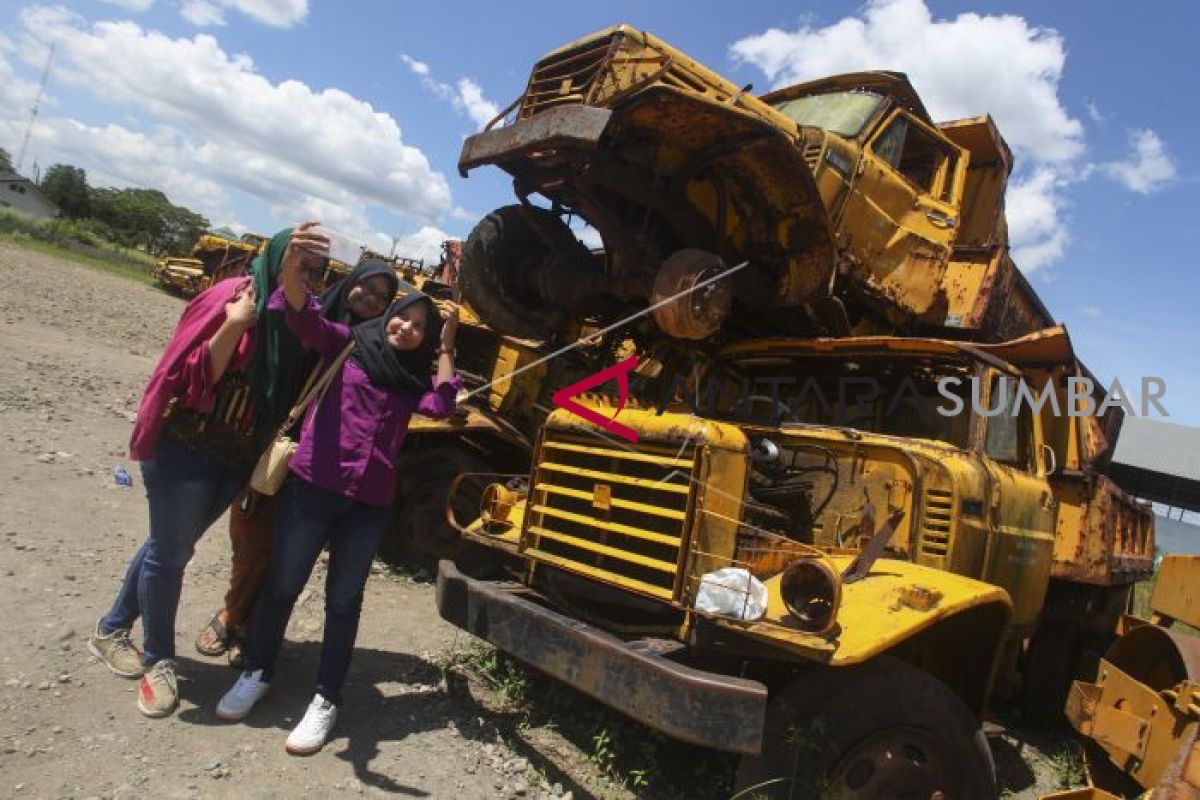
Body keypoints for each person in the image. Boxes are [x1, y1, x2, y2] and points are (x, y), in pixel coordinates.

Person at [214, 227, 460, 755]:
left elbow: (444, 405)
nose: (406, 327)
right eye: (404, 315)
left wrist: (445, 348)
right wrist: (294, 264)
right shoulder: (348, 345)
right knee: (282, 585)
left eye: (420, 326)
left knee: (343, 601)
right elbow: (301, 315)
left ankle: (326, 699)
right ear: (389, 313)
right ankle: (256, 672)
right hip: (311, 487)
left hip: (367, 506)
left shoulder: (412, 378)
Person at [87, 226, 324, 717]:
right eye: (298, 264)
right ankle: (158, 661)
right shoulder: (228, 297)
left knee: (167, 547)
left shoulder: (293, 322)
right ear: (276, 259)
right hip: (186, 448)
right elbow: (192, 377)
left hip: (233, 458)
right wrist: (235, 324)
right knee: (170, 555)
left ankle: (110, 629)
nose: (307, 276)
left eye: (315, 270)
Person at [194, 259, 400, 664]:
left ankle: (254, 627)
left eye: (383, 297)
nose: (372, 300)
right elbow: (281, 321)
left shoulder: (372, 343)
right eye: (367, 288)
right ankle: (233, 611)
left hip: (320, 459)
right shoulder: (316, 315)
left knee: (287, 549)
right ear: (351, 282)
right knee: (251, 533)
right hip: (276, 438)